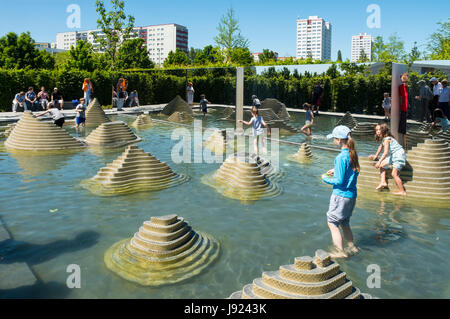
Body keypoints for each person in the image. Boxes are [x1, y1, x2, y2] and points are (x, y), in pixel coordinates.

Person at [322, 125, 360, 258]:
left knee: (332, 223)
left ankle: (340, 252)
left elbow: (338, 181)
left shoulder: (340, 158)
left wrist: (325, 178)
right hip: (351, 196)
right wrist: (335, 169)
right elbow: (350, 172)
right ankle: (352, 247)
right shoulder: (353, 154)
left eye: (334, 138)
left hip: (341, 196)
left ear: (339, 140)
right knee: (345, 222)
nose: (333, 141)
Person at [369, 123, 406, 196]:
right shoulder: (384, 139)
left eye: (379, 129)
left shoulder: (387, 139)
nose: (378, 131)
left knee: (394, 174)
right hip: (394, 155)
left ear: (384, 130)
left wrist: (378, 162)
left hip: (399, 155)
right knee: (382, 165)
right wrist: (376, 156)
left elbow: (385, 153)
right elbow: (380, 147)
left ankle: (402, 191)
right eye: (376, 130)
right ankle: (383, 182)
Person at [398, 73, 409, 148]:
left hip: (409, 110)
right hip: (404, 110)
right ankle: (404, 147)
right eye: (403, 79)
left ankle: (405, 146)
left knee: (406, 129)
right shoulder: (401, 87)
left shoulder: (410, 88)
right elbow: (400, 98)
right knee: (403, 130)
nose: (404, 81)